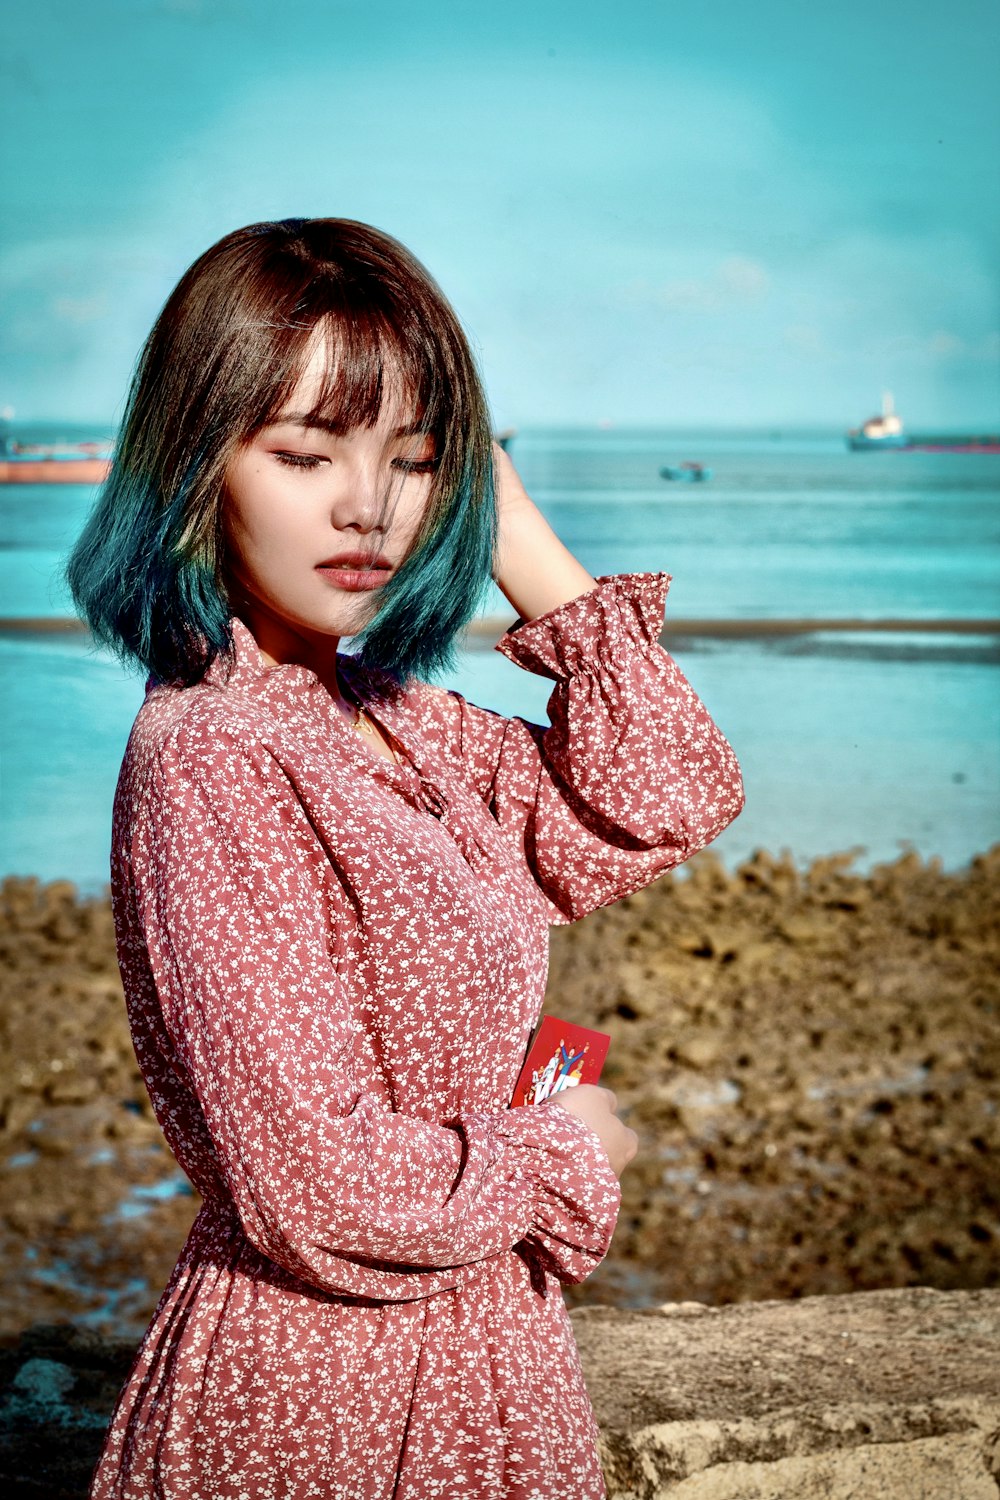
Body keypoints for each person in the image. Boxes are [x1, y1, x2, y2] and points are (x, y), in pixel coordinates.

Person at [67, 217, 744, 1500]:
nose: (368, 508)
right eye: (306, 452)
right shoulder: (211, 752)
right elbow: (316, 1190)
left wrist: (518, 534)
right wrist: (570, 1148)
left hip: (487, 1361)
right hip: (320, 1399)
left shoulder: (395, 720)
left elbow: (673, 795)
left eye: (417, 462)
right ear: (197, 462)